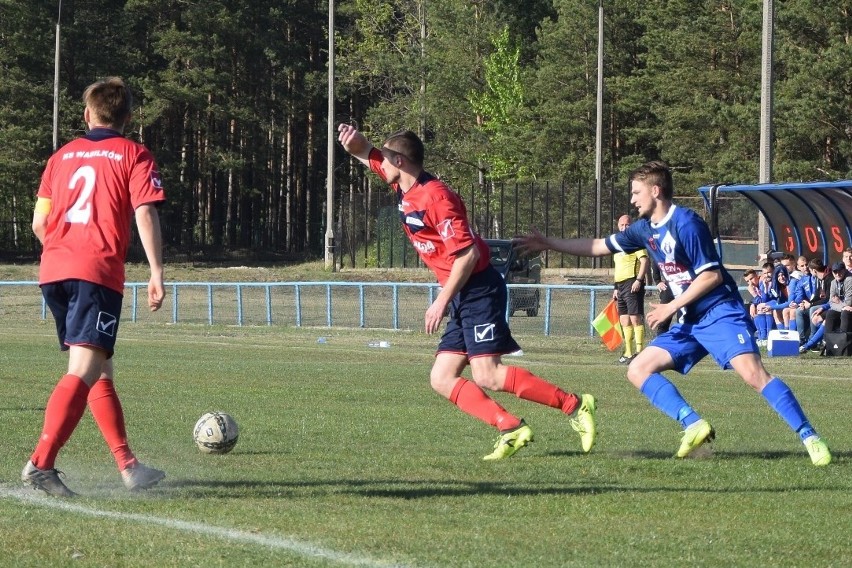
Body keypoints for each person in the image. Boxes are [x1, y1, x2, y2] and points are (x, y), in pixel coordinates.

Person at [515, 160, 831, 466]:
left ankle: (810, 437)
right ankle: (693, 424)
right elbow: (599, 246)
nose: (632, 199)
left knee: (753, 375)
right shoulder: (642, 230)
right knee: (638, 369)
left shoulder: (687, 224)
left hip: (720, 312)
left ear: (655, 191)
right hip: (690, 321)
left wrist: (670, 306)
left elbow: (712, 276)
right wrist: (550, 243)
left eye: (636, 192)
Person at [337, 124, 596, 460]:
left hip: (478, 290)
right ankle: (511, 427)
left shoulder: (436, 197)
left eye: (385, 160)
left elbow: (468, 254)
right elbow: (368, 154)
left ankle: (575, 405)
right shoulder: (406, 184)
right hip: (462, 293)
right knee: (442, 378)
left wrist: (440, 301)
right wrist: (357, 146)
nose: (379, 165)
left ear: (399, 161)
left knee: (488, 374)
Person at [22, 77, 167, 496]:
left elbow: (38, 223)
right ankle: (41, 464)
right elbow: (144, 211)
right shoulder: (133, 153)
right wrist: (156, 270)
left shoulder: (61, 156)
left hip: (54, 270)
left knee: (99, 367)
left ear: (88, 114)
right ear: (128, 116)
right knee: (85, 369)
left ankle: (128, 465)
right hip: (95, 271)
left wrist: (64, 250)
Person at [612, 215, 649, 363]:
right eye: (622, 225)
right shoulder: (617, 245)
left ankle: (640, 352)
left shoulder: (636, 241)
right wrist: (615, 287)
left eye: (627, 225)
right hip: (620, 285)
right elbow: (617, 267)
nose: (624, 227)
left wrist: (639, 280)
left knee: (635, 317)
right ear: (618, 226)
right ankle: (628, 352)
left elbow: (645, 260)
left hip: (632, 283)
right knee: (624, 320)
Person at [813, 261, 852, 333]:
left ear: (844, 270)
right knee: (829, 313)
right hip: (843, 308)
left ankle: (843, 340)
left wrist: (839, 302)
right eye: (835, 272)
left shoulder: (849, 279)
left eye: (840, 271)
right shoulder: (833, 282)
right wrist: (843, 307)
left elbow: (849, 303)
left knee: (845, 313)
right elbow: (831, 302)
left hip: (849, 309)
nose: (837, 274)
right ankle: (828, 340)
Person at [652, 262, 675, 333]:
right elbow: (655, 260)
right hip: (669, 287)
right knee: (663, 321)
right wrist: (658, 281)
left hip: (687, 286)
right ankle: (661, 341)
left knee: (683, 319)